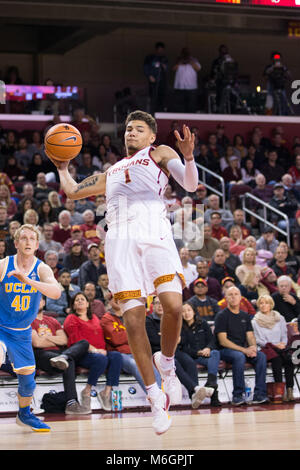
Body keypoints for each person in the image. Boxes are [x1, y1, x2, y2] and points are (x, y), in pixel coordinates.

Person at [47, 109, 199, 435]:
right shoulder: (111, 171)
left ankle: (167, 362)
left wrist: (188, 158)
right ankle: (155, 397)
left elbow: (190, 183)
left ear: (150, 136)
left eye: (138, 128)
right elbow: (73, 191)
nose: (131, 132)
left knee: (173, 306)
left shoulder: (160, 153)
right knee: (133, 320)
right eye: (128, 128)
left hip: (154, 232)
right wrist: (62, 167)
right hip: (119, 240)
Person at [0, 224, 61, 431]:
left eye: (31, 239)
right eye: (23, 238)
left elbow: (55, 293)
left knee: (28, 382)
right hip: (1, 327)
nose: (27, 242)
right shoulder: (4, 265)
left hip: (22, 333)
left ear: (36, 245)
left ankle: (24, 415)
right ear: (16, 243)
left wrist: (28, 281)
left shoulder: (41, 268)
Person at [146, 296, 210, 410]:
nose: (160, 306)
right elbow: (154, 340)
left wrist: (167, 337)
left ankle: (194, 396)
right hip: (158, 353)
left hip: (175, 349)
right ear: (152, 306)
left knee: (189, 362)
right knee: (174, 362)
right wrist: (173, 337)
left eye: (162, 303)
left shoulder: (173, 319)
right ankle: (195, 389)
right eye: (156, 303)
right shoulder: (149, 321)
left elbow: (184, 338)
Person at [63, 292, 122, 413]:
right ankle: (87, 390)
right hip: (82, 354)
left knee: (116, 356)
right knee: (101, 359)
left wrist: (102, 350)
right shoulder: (71, 318)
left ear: (88, 304)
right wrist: (96, 350)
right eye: (77, 300)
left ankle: (106, 392)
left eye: (82, 299)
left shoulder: (94, 317)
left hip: (100, 352)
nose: (80, 301)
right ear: (73, 305)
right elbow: (77, 341)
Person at [32, 297, 90, 415]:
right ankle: (71, 403)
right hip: (40, 354)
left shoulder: (53, 320)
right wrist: (54, 339)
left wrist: (45, 338)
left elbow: (64, 340)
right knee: (69, 360)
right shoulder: (28, 320)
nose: (37, 302)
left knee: (84, 343)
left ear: (44, 302)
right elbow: (37, 343)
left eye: (39, 300)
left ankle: (63, 357)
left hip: (59, 354)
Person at [214, 286, 268, 406]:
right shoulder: (222, 316)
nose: (233, 297)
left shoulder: (245, 316)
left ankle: (260, 394)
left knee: (261, 356)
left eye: (236, 294)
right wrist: (244, 350)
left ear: (241, 297)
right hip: (225, 350)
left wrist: (253, 348)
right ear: (226, 298)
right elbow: (223, 341)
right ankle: (238, 395)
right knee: (239, 357)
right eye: (230, 294)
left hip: (242, 350)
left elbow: (250, 336)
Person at [100, 298, 161, 395]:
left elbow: (140, 335)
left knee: (150, 364)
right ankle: (154, 396)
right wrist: (132, 333)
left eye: (118, 297)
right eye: (113, 298)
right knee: (134, 364)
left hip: (134, 351)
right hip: (119, 355)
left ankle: (160, 394)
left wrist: (127, 334)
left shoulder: (129, 316)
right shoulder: (106, 319)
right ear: (109, 302)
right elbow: (116, 339)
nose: (117, 300)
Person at [252, 295, 295, 402]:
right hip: (266, 349)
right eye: (261, 303)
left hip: (281, 347)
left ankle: (290, 390)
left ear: (271, 305)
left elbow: (284, 335)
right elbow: (258, 340)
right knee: (277, 360)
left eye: (266, 303)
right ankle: (279, 392)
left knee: (289, 360)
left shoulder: (279, 318)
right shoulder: (255, 321)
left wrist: (283, 344)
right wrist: (275, 345)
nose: (263, 305)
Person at [181, 302, 221, 406]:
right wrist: (197, 352)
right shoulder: (179, 327)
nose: (186, 313)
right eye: (183, 311)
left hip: (205, 355)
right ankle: (213, 391)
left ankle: (211, 382)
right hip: (192, 357)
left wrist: (208, 348)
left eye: (189, 310)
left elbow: (212, 340)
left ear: (194, 311)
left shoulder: (203, 323)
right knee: (213, 361)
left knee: (215, 353)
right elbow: (182, 348)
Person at [173, 47, 201, 113]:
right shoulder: (178, 60)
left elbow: (198, 68)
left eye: (187, 52)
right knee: (179, 105)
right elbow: (174, 68)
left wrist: (190, 61)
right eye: (184, 52)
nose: (186, 54)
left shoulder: (194, 60)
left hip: (191, 87)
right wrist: (181, 61)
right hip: (180, 87)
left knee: (191, 105)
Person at [143, 42, 168, 114]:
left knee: (162, 99)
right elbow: (145, 68)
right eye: (159, 50)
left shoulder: (164, 58)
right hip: (153, 83)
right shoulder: (150, 58)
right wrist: (149, 76)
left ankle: (161, 113)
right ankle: (152, 114)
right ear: (156, 49)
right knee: (153, 98)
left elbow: (167, 69)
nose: (160, 51)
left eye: (162, 50)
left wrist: (163, 65)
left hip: (162, 82)